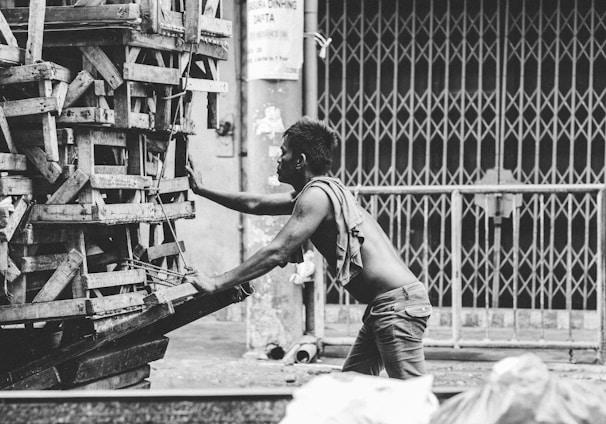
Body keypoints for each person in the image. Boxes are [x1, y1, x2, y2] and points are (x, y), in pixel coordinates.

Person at [185, 117, 432, 379]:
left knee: (412, 397)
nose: (278, 159)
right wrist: (202, 190)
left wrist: (216, 283)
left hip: (395, 307)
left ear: (300, 160)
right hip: (386, 306)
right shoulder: (319, 191)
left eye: (284, 153)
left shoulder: (316, 196)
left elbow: (277, 251)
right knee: (351, 389)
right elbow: (256, 204)